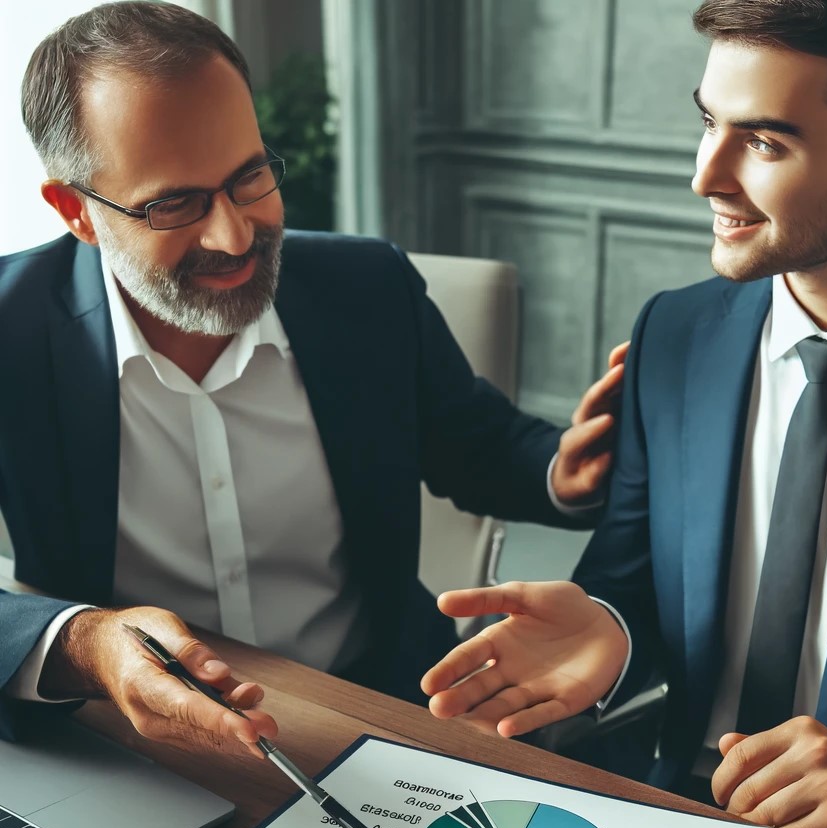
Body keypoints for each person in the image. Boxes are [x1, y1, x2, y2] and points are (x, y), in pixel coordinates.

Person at [422, 0, 827, 828]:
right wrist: (613, 631)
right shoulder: (676, 333)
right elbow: (630, 584)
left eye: (767, 143)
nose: (707, 174)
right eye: (709, 122)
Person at [0, 2, 627, 757]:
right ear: (76, 210)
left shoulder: (369, 286)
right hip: (132, 746)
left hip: (386, 710)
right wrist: (85, 646)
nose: (233, 236)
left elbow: (477, 445)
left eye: (250, 177)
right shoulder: (11, 330)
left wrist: (565, 469)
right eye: (175, 204)